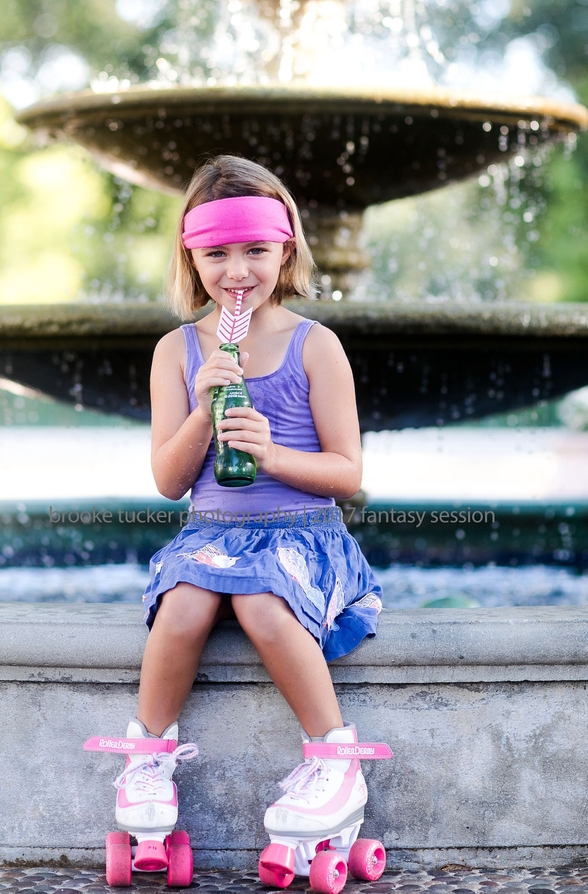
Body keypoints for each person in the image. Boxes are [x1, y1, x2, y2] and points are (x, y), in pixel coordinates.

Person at [113, 154, 384, 871]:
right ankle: (147, 759)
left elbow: (348, 475)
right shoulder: (177, 350)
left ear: (285, 247)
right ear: (190, 254)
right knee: (182, 605)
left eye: (255, 250)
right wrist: (204, 409)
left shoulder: (315, 346)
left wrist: (272, 456)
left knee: (266, 605)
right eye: (217, 253)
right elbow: (170, 482)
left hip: (303, 537)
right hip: (211, 535)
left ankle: (335, 760)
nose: (237, 270)